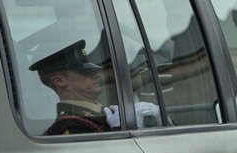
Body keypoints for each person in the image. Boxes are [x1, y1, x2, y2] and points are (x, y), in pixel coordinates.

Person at [30, 39, 161, 135]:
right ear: (60, 81)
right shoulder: (71, 126)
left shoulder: (102, 114)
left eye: (93, 70)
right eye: (85, 72)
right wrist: (121, 132)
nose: (96, 75)